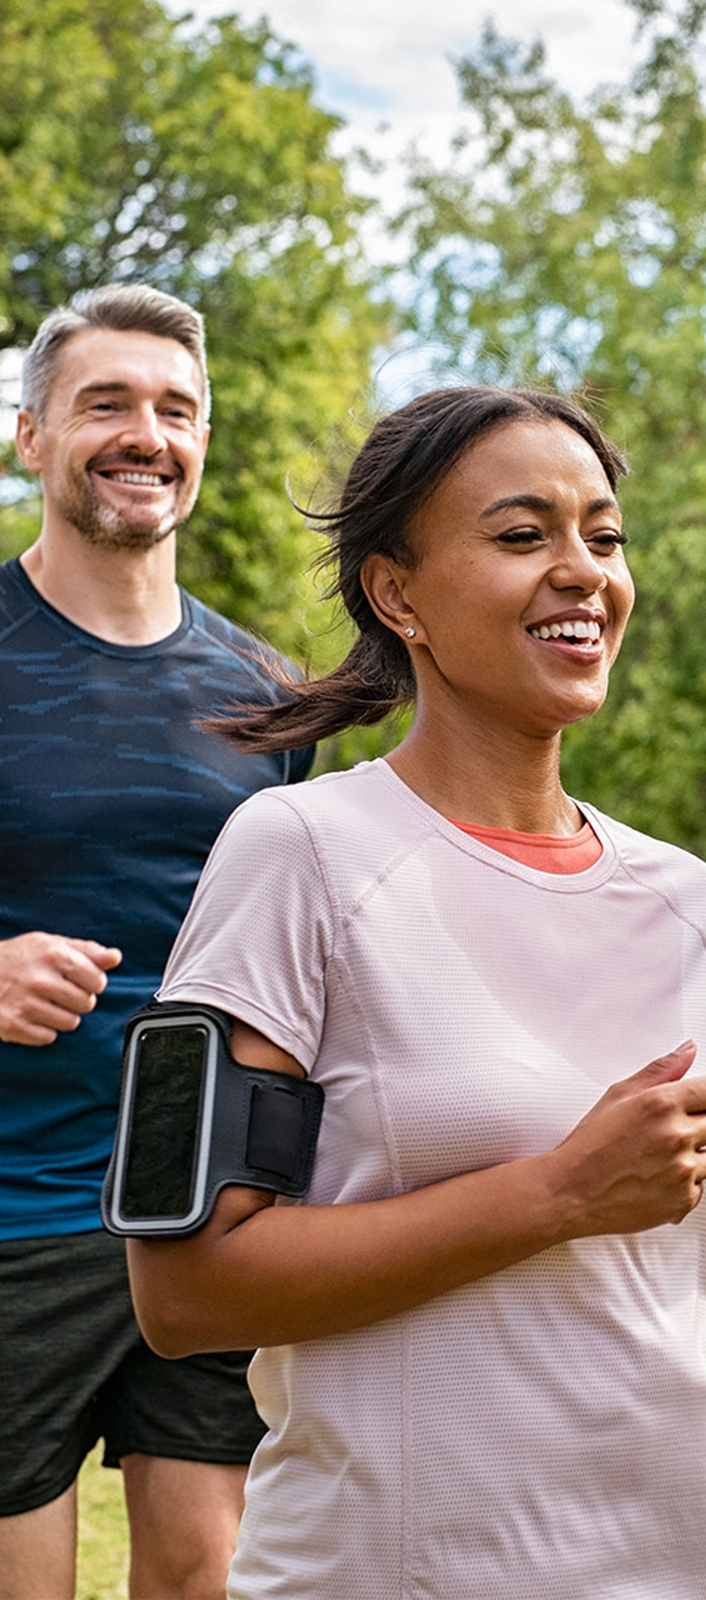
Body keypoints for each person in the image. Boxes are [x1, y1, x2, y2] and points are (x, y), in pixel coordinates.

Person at [122, 385, 706, 1600]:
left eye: (604, 537)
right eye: (523, 536)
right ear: (396, 592)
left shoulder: (687, 899)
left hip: (694, 1566)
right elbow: (186, 1291)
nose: (582, 572)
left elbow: (663, 1317)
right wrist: (558, 1190)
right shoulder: (295, 851)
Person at [0, 286, 315, 1600]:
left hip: (204, 1210)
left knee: (205, 1575)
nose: (147, 434)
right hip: (12, 1220)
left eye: (176, 409)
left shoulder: (273, 699)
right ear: (31, 438)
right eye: (107, 404)